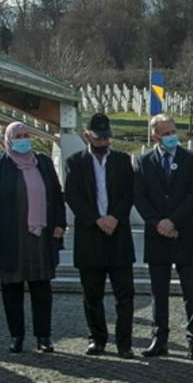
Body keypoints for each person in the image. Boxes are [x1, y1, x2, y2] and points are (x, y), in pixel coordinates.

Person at [0, 122, 66, 353]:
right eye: (18, 136)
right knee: (12, 288)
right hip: (10, 237)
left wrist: (60, 222)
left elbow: (56, 194)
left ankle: (43, 336)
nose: (23, 139)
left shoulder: (43, 162)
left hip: (40, 237)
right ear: (8, 139)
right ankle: (16, 336)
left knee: (41, 287)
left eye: (26, 135)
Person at [133, 114, 193, 359]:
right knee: (159, 291)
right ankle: (159, 337)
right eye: (166, 134)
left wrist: (173, 221)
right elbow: (140, 197)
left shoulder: (192, 159)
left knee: (191, 291)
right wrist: (159, 223)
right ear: (155, 137)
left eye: (173, 131)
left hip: (185, 232)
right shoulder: (144, 162)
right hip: (157, 235)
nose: (171, 137)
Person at [65, 113, 137, 357]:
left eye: (106, 138)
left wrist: (114, 217)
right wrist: (96, 219)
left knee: (124, 293)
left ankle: (124, 343)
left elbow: (129, 193)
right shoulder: (75, 162)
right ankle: (97, 338)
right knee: (92, 293)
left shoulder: (122, 161)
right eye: (98, 138)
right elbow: (73, 195)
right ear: (87, 136)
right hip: (90, 235)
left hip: (118, 233)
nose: (103, 142)